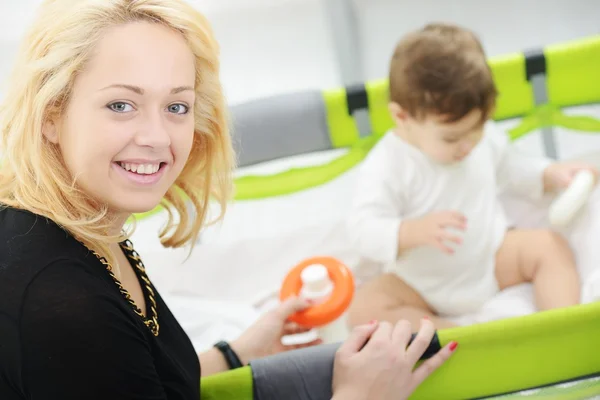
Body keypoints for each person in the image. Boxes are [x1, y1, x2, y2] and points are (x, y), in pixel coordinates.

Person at [0, 1, 457, 399]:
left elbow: (131, 375)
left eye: (176, 106)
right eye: (121, 105)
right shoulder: (60, 299)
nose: (158, 137)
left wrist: (236, 353)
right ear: (51, 115)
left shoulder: (80, 226)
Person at [346, 23, 598, 330]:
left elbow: (511, 168)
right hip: (421, 283)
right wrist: (409, 232)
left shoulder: (479, 139)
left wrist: (549, 173)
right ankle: (456, 338)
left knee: (549, 245)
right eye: (452, 139)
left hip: (490, 257)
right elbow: (362, 230)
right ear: (402, 117)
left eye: (476, 130)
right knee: (364, 311)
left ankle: (563, 330)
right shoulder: (387, 165)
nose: (468, 145)